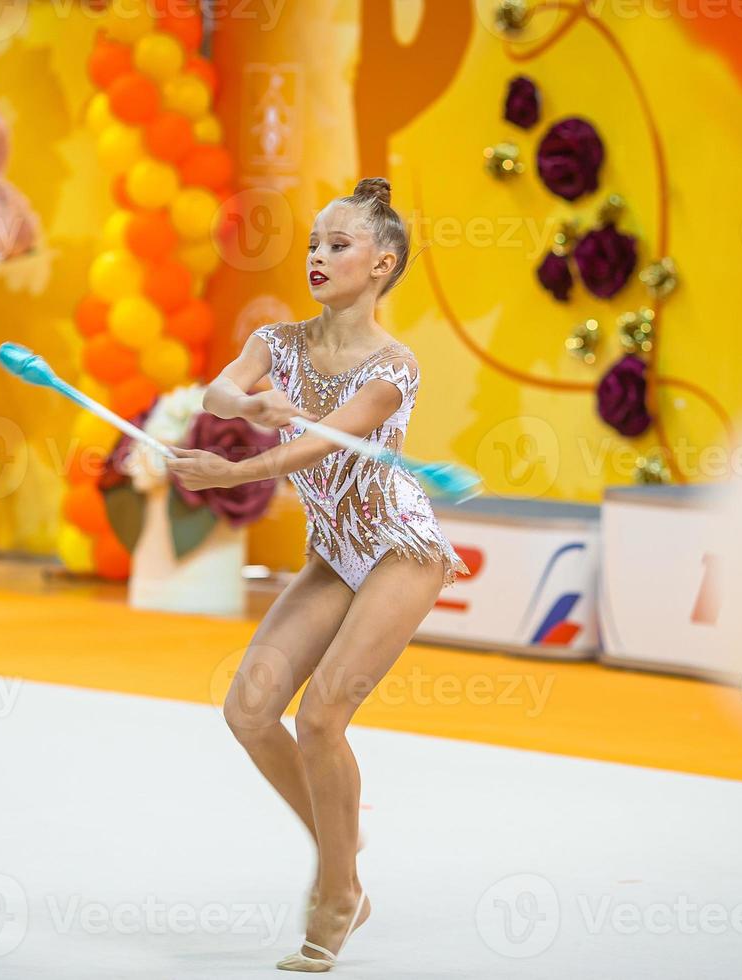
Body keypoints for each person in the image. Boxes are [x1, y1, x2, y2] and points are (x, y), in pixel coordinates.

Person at [169, 176, 469, 972]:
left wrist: (234, 471)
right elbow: (221, 384)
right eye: (313, 243)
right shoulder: (281, 341)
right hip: (336, 550)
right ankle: (344, 860)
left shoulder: (394, 368)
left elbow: (322, 444)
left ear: (383, 264)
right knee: (250, 708)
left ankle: (338, 891)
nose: (318, 256)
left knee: (322, 719)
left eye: (339, 245)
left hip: (398, 546)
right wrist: (246, 404)